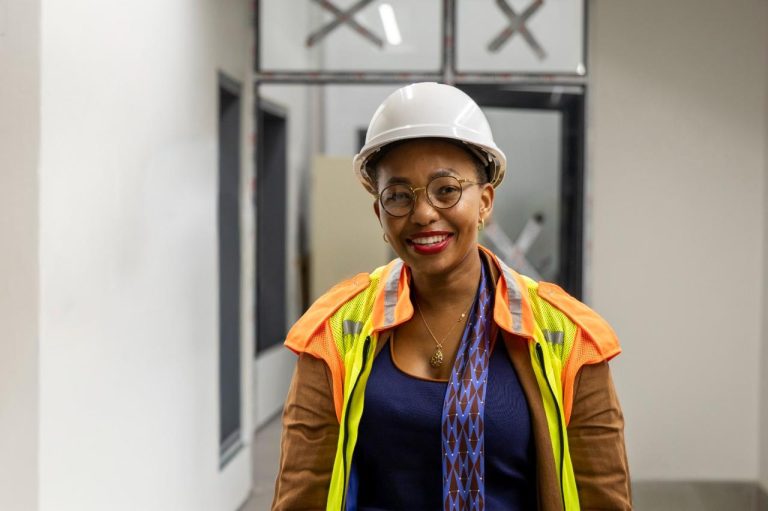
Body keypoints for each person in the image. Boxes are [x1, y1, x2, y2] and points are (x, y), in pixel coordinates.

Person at [272, 82, 631, 510]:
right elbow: (303, 492)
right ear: (380, 214)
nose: (423, 213)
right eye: (398, 196)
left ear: (485, 202)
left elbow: (602, 495)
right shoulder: (333, 333)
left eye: (446, 189)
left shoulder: (569, 338)